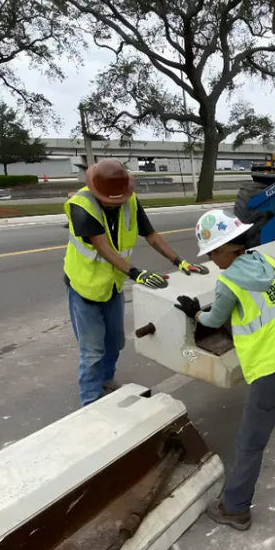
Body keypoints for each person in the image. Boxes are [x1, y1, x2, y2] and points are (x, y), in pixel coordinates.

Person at [175, 209, 275, 531]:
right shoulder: (268, 262)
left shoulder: (228, 281)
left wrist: (195, 314)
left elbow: (214, 320)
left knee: (250, 441)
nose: (211, 260)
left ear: (224, 250)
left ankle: (235, 508)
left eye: (211, 253)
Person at [64, 159, 207, 405]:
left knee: (115, 342)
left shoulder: (129, 200)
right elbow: (103, 247)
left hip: (112, 286)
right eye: (112, 201)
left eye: (120, 199)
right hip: (84, 288)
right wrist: (136, 273)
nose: (118, 205)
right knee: (92, 352)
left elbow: (150, 235)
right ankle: (90, 401)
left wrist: (179, 261)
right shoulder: (81, 206)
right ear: (98, 193)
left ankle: (106, 381)